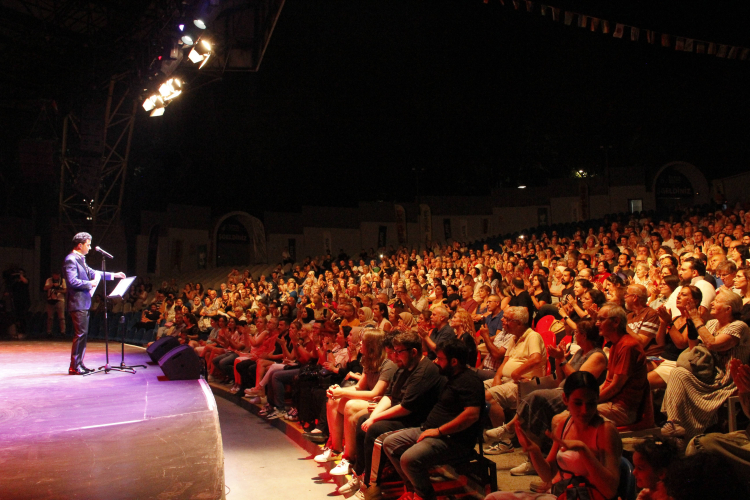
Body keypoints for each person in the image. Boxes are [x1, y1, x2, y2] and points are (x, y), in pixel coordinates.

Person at [484, 371, 622, 500]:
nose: (584, 410)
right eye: (578, 403)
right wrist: (534, 451)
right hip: (561, 494)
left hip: (587, 496)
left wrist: (584, 450)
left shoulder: (606, 430)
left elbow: (610, 491)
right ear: (565, 399)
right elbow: (548, 474)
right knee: (493, 498)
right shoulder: (563, 424)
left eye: (591, 404)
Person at [382, 339, 484, 500]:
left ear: (454, 361)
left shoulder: (470, 381)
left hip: (453, 439)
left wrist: (438, 431)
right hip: (430, 430)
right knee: (389, 443)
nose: (436, 361)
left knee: (409, 459)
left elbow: (471, 415)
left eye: (440, 358)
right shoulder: (450, 377)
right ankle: (413, 489)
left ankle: (424, 496)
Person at [64, 232, 126, 374]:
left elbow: (94, 272)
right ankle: (74, 366)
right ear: (80, 245)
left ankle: (79, 363)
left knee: (83, 334)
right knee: (80, 335)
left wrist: (113, 275)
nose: (90, 247)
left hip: (83, 303)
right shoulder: (71, 259)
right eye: (88, 244)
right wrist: (89, 284)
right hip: (77, 302)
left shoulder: (80, 259)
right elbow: (72, 281)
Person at [44, 270, 67, 336]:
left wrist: (58, 290)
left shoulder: (62, 280)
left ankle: (63, 332)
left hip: (60, 300)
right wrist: (52, 285)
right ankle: (49, 332)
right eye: (55, 274)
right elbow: (45, 288)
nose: (56, 276)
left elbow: (65, 290)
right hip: (50, 299)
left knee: (61, 317)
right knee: (50, 317)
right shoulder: (49, 280)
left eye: (57, 274)